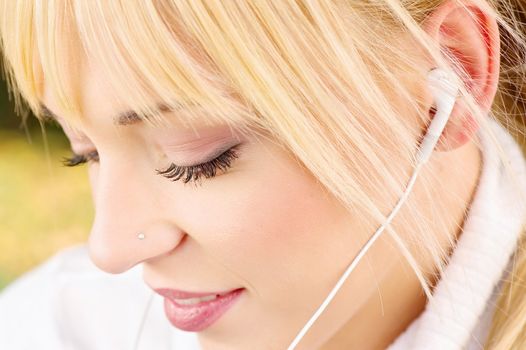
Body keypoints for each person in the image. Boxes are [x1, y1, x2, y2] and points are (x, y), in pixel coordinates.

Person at [0, 0, 526, 349]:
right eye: (86, 152)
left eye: (198, 155)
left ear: (453, 73)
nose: (110, 249)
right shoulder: (50, 328)